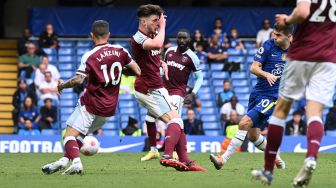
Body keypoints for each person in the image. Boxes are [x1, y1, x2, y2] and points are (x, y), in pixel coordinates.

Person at [251, 1, 336, 186]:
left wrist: (286, 19)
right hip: (329, 58)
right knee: (315, 112)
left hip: (303, 54)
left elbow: (303, 11)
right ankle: (311, 157)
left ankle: (268, 170)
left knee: (281, 110)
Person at [41, 20, 141, 175]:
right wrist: (120, 68)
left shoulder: (89, 55)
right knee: (79, 137)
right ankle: (62, 162)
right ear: (109, 35)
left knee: (68, 136)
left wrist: (61, 86)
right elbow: (137, 71)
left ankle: (76, 163)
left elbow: (78, 80)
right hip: (109, 109)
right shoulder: (120, 50)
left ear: (91, 36)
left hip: (91, 105)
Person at [131, 4, 205, 171]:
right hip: (151, 88)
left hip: (154, 88)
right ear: (143, 21)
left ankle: (185, 161)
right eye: (154, 21)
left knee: (176, 123)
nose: (157, 24)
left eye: (159, 21)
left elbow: (150, 56)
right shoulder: (138, 38)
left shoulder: (150, 34)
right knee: (176, 120)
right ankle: (167, 156)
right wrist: (163, 27)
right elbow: (157, 46)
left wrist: (161, 63)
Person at [211, 23, 293, 171]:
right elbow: (253, 68)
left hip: (273, 96)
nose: (274, 36)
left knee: (244, 123)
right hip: (257, 93)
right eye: (274, 33)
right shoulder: (268, 45)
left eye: (278, 35)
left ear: (289, 37)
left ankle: (222, 159)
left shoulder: (296, 52)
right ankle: (275, 157)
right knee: (253, 135)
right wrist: (266, 74)